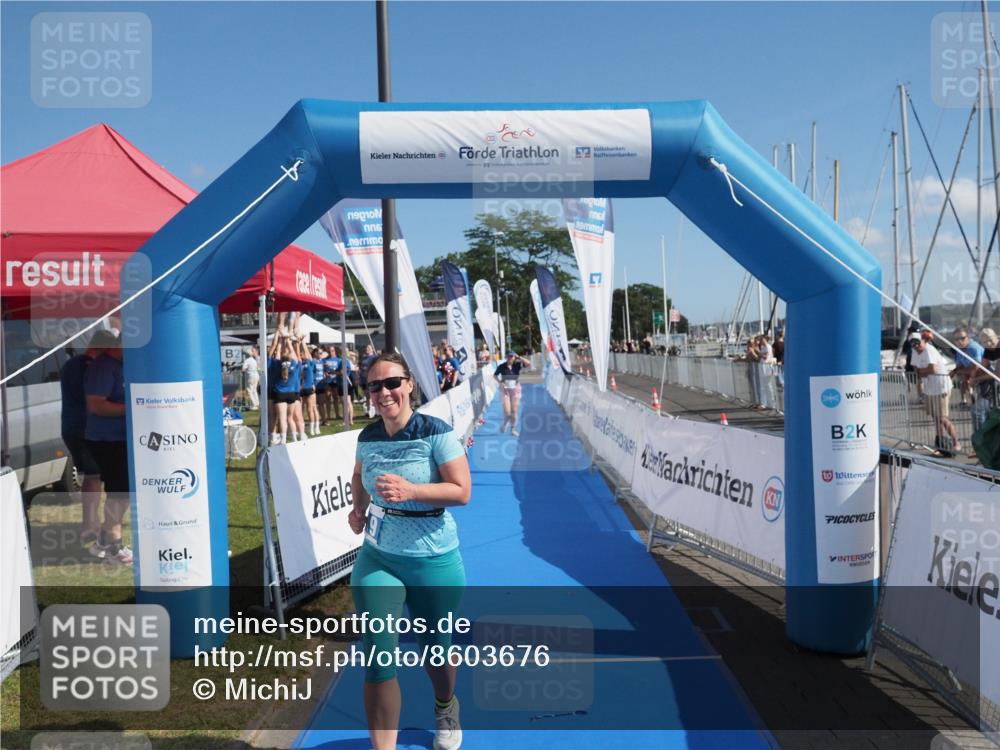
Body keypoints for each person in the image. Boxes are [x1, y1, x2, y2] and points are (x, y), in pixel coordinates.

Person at [347, 352, 471, 750]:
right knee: (378, 655)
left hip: (432, 558)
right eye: (374, 386)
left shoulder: (435, 432)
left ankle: (446, 704)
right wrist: (358, 509)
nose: (384, 392)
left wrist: (412, 490)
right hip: (378, 557)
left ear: (409, 384)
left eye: (392, 383)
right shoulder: (368, 437)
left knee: (436, 651)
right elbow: (358, 475)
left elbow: (462, 491)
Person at [84, 330, 133, 564]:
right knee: (119, 493)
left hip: (121, 439)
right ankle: (114, 545)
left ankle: (104, 542)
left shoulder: (120, 364)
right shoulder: (103, 367)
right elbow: (96, 405)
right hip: (107, 440)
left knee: (123, 492)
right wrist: (133, 407)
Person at [60, 333, 105, 548]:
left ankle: (91, 524)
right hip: (84, 429)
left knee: (92, 477)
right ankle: (90, 526)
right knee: (93, 478)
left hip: (72, 428)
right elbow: (92, 399)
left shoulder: (71, 364)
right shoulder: (87, 368)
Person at [911, 332, 961, 456]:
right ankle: (940, 445)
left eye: (918, 343)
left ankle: (956, 443)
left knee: (942, 418)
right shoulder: (914, 351)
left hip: (941, 387)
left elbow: (932, 369)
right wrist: (923, 372)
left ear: (923, 341)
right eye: (914, 344)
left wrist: (922, 372)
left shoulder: (929, 350)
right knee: (935, 418)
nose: (917, 347)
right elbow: (916, 370)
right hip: (929, 388)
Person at [494, 351, 531, 436]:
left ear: (514, 357)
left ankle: (513, 429)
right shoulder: (502, 366)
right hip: (505, 391)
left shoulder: (517, 365)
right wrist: (500, 382)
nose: (510, 358)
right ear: (506, 357)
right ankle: (504, 424)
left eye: (512, 356)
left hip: (515, 389)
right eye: (509, 356)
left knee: (514, 411)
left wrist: (519, 357)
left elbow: (528, 363)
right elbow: (495, 375)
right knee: (508, 413)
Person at [951, 327, 984, 408]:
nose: (959, 341)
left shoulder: (973, 348)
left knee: (965, 376)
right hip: (970, 373)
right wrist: (953, 372)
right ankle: (964, 401)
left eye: (962, 338)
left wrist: (960, 371)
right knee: (962, 379)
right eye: (957, 339)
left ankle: (975, 400)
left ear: (968, 337)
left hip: (986, 374)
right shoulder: (959, 350)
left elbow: (976, 368)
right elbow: (959, 366)